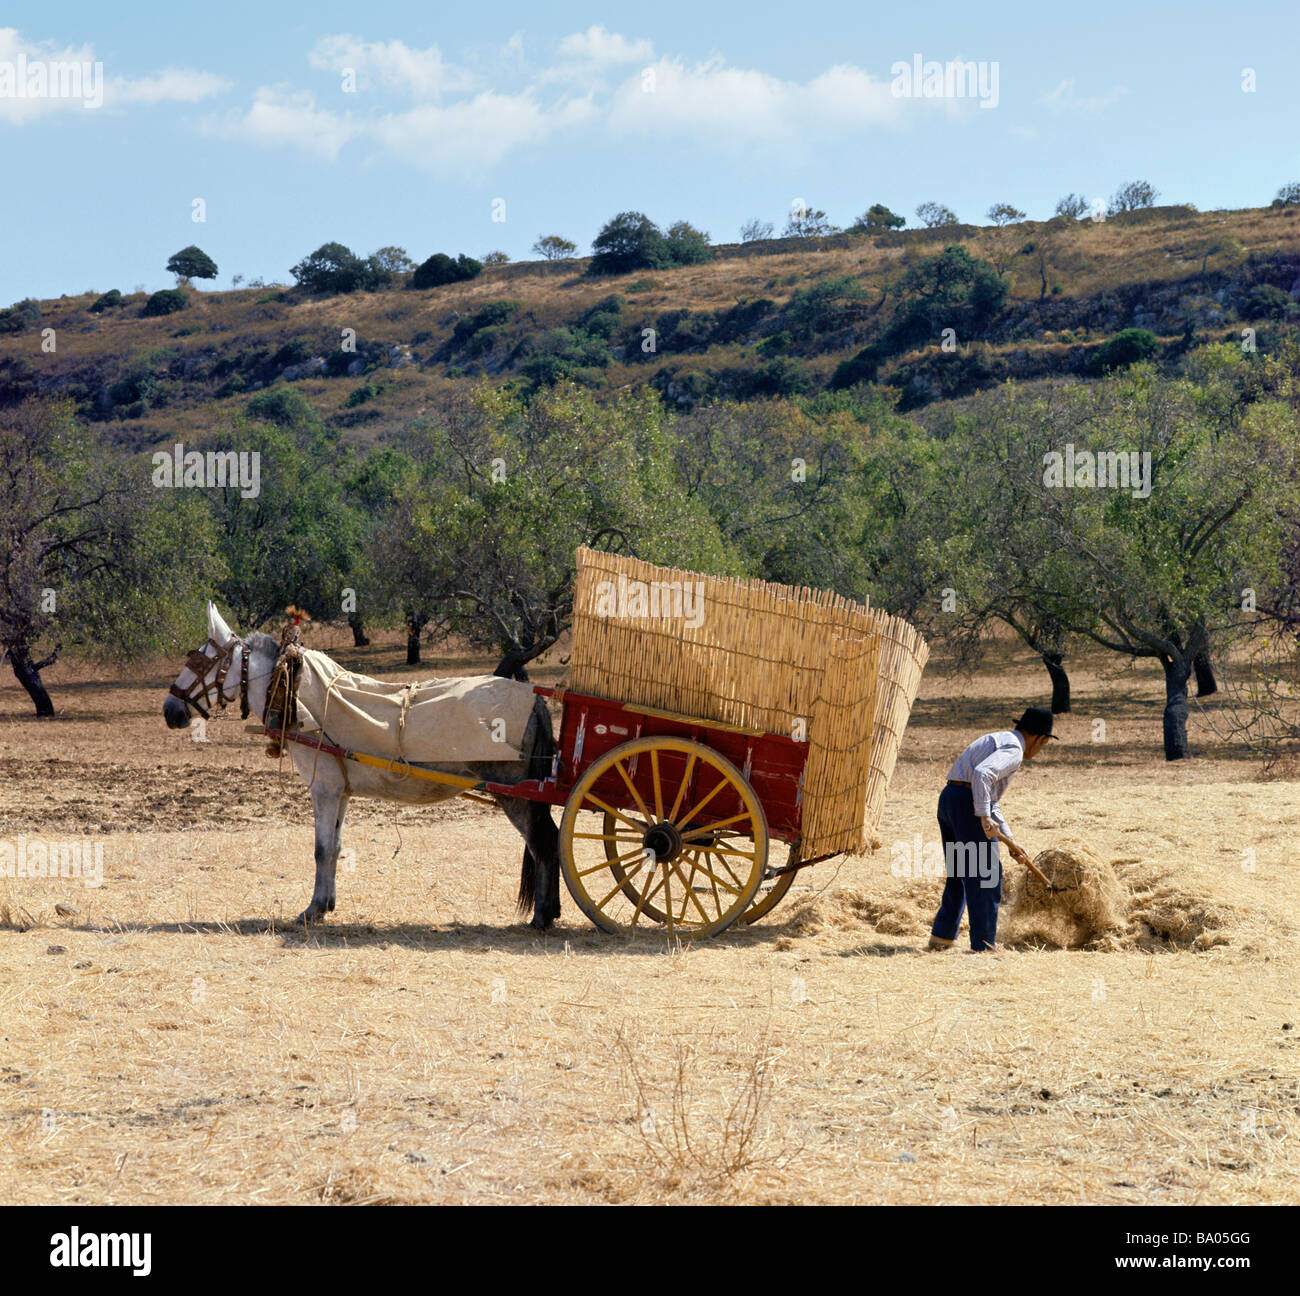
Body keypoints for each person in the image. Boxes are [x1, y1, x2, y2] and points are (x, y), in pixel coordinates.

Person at [928, 706, 1058, 952]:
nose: (1041, 749)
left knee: (960, 872)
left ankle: (942, 938)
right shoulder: (1014, 750)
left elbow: (988, 795)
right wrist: (984, 816)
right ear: (1039, 737)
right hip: (967, 804)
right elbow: (982, 775)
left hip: (951, 798)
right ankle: (984, 945)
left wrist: (1010, 841)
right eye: (1044, 744)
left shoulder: (1000, 739)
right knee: (987, 876)